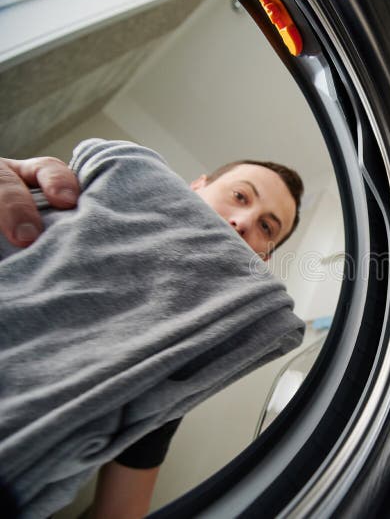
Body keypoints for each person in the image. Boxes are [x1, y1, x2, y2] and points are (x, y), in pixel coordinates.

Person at [0, 140, 306, 518]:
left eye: (266, 226)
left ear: (262, 258)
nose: (243, 222)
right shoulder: (73, 197)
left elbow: (121, 511)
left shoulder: (177, 355)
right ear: (196, 186)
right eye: (241, 196)